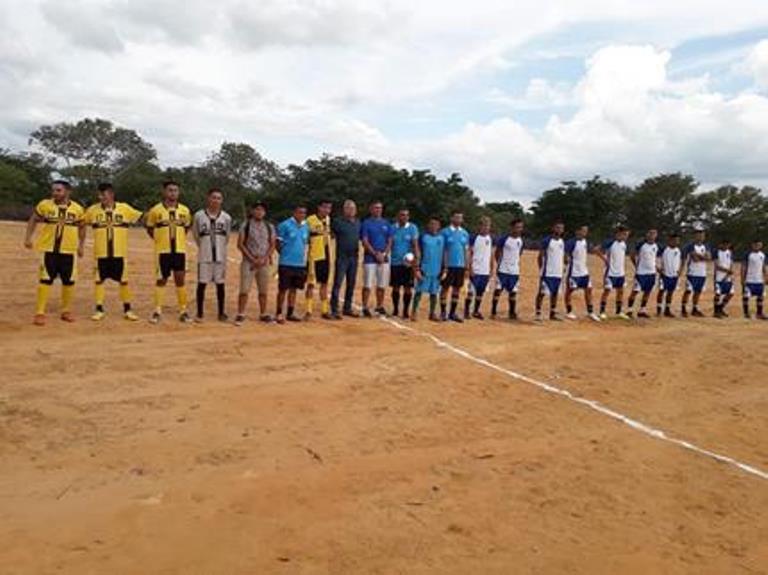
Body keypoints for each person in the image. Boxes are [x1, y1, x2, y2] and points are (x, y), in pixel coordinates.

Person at [23, 180, 85, 325]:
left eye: (58, 190)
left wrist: (81, 245)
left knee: (69, 281)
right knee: (45, 280)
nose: (55, 193)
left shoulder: (77, 209)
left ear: (67, 192)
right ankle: (40, 312)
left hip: (68, 250)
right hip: (49, 249)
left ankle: (66, 311)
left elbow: (82, 227)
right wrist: (28, 237)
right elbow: (33, 220)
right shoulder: (45, 205)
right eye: (53, 190)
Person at [83, 182, 142, 321]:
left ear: (111, 194)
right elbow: (80, 222)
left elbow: (142, 217)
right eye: (99, 195)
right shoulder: (92, 210)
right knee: (99, 280)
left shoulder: (124, 208)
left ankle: (127, 310)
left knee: (124, 281)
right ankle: (99, 309)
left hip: (119, 253)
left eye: (103, 195)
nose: (100, 197)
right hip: (100, 253)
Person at [192, 188, 232, 322]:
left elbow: (227, 237)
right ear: (208, 198)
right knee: (202, 283)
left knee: (220, 284)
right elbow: (196, 234)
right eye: (213, 197)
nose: (216, 200)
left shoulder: (226, 217)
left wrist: (220, 247)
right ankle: (199, 313)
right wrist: (204, 246)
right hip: (205, 255)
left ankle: (221, 312)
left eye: (218, 198)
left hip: (220, 255)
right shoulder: (199, 216)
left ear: (222, 200)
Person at [235, 202, 276, 325]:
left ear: (265, 213)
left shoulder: (269, 227)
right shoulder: (246, 225)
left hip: (263, 262)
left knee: (263, 290)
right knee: (244, 289)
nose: (259, 212)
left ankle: (263, 313)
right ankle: (240, 313)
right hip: (249, 262)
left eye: (262, 210)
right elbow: (240, 244)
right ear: (252, 211)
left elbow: (272, 244)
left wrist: (264, 258)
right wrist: (252, 259)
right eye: (257, 209)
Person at [275, 206, 310, 324]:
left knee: (294, 289)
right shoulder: (284, 225)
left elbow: (305, 244)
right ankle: (279, 313)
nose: (302, 215)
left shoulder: (306, 227)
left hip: (300, 264)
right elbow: (278, 243)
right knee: (283, 289)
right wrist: (285, 254)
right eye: (300, 212)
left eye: (304, 213)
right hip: (286, 262)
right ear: (294, 213)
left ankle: (290, 312)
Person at [360, 201, 393, 317]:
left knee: (381, 285)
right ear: (371, 209)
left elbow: (390, 241)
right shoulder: (366, 223)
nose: (378, 210)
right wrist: (375, 254)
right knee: (367, 284)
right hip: (370, 258)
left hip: (383, 259)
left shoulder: (386, 223)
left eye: (380, 208)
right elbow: (365, 241)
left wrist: (384, 254)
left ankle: (379, 306)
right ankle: (364, 307)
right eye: (375, 208)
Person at [330, 200, 361, 319]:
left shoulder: (358, 222)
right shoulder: (338, 222)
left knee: (351, 283)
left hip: (354, 257)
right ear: (344, 210)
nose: (351, 210)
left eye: (353, 208)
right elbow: (330, 234)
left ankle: (347, 308)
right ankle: (334, 308)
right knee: (338, 282)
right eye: (349, 208)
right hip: (342, 257)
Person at [564, 225, 600, 321]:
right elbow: (566, 255)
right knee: (569, 291)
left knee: (588, 290)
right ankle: (569, 311)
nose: (585, 233)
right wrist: (566, 262)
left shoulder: (585, 242)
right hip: (574, 272)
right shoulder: (571, 242)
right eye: (583, 231)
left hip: (584, 271)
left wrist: (597, 251)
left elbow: (591, 249)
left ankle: (590, 312)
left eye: (586, 231)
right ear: (577, 231)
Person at [412, 217, 445, 322]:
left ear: (439, 226)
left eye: (436, 224)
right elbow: (417, 253)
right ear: (428, 225)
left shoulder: (442, 238)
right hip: (424, 269)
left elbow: (444, 254)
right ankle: (414, 312)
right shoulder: (423, 237)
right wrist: (417, 269)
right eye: (431, 224)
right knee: (419, 291)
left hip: (437, 270)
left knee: (434, 293)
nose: (433, 226)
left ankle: (432, 313)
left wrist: (444, 269)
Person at [305, 200, 333, 320]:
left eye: (329, 208)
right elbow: (305, 237)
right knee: (311, 284)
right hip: (314, 256)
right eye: (324, 207)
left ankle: (325, 310)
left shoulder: (328, 219)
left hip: (326, 254)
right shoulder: (310, 220)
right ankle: (308, 310)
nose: (327, 210)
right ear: (319, 207)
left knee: (324, 283)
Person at [440, 210, 470, 322]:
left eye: (460, 217)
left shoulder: (465, 233)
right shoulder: (445, 232)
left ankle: (452, 313)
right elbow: (443, 250)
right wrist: (445, 266)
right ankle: (443, 312)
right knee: (445, 288)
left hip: (460, 266)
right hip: (448, 266)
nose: (459, 219)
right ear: (451, 218)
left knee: (456, 289)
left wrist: (467, 267)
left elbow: (466, 251)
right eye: (456, 217)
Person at [389, 208, 420, 319]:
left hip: (408, 263)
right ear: (398, 216)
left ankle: (406, 311)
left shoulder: (412, 228)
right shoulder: (393, 228)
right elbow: (390, 243)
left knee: (408, 287)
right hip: (395, 262)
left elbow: (415, 245)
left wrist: (415, 261)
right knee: (396, 287)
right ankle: (395, 310)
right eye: (402, 215)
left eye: (406, 215)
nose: (404, 217)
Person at [491, 218, 524, 320]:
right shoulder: (504, 239)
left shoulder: (520, 240)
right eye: (517, 227)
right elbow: (497, 253)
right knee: (498, 290)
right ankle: (493, 311)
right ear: (512, 227)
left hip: (514, 271)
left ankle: (512, 312)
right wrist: (500, 263)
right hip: (503, 270)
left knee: (513, 291)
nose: (519, 229)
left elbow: (519, 253)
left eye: (520, 227)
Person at [598, 225, 630, 320]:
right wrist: (605, 259)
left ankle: (618, 312)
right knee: (607, 291)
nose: (626, 236)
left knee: (620, 291)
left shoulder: (624, 244)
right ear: (619, 233)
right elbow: (596, 249)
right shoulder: (610, 242)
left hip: (620, 272)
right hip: (610, 272)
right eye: (625, 234)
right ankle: (602, 312)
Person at [534, 221, 565, 321]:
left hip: (558, 272)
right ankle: (538, 313)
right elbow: (540, 256)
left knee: (555, 293)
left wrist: (563, 266)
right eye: (557, 227)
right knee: (542, 293)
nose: (559, 230)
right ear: (553, 228)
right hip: (547, 272)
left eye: (561, 228)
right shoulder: (547, 241)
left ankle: (552, 313)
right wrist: (542, 269)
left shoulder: (562, 242)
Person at [465, 216, 494, 320]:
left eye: (488, 226)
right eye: (484, 225)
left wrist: (491, 268)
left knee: (480, 292)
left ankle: (476, 311)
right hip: (475, 269)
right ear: (479, 226)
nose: (486, 228)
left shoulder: (490, 238)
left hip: (485, 270)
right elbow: (469, 253)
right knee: (471, 291)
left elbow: (491, 254)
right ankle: (466, 311)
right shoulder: (473, 238)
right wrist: (469, 268)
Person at [627, 229, 659, 318]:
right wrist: (636, 265)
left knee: (647, 291)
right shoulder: (641, 244)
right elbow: (632, 255)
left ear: (656, 236)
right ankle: (629, 310)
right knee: (635, 291)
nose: (652, 235)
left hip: (651, 273)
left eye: (654, 234)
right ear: (647, 234)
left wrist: (657, 268)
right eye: (650, 233)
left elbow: (653, 259)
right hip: (641, 273)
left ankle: (642, 310)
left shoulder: (656, 246)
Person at [681, 228, 711, 318]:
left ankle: (695, 308)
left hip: (702, 273)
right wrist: (703, 257)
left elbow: (709, 258)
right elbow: (695, 258)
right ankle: (683, 308)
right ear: (695, 236)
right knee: (688, 290)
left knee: (698, 291)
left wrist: (700, 256)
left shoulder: (706, 246)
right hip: (692, 272)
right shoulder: (690, 246)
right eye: (699, 235)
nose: (701, 237)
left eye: (702, 235)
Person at [656, 232, 682, 317]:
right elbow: (655, 258)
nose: (676, 242)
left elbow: (678, 261)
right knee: (662, 291)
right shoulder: (663, 249)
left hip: (674, 275)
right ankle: (659, 309)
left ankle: (667, 309)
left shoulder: (678, 250)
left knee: (670, 292)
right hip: (664, 275)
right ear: (670, 240)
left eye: (677, 240)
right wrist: (658, 268)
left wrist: (679, 270)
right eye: (674, 240)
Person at [741, 240, 766, 320]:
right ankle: (746, 313)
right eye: (756, 245)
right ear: (752, 245)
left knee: (760, 297)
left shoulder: (762, 255)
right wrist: (742, 279)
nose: (757, 246)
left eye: (759, 245)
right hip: (749, 280)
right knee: (746, 296)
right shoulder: (748, 254)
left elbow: (764, 267)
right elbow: (744, 267)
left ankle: (759, 313)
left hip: (759, 280)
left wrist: (766, 277)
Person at [712, 240, 735, 318]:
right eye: (724, 244)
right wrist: (727, 271)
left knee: (730, 293)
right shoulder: (717, 252)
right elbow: (717, 266)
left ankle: (720, 308)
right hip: (719, 277)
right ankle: (716, 311)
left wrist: (729, 273)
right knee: (718, 294)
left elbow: (731, 264)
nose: (725, 246)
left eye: (727, 244)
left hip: (728, 277)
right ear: (721, 244)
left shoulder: (730, 252)